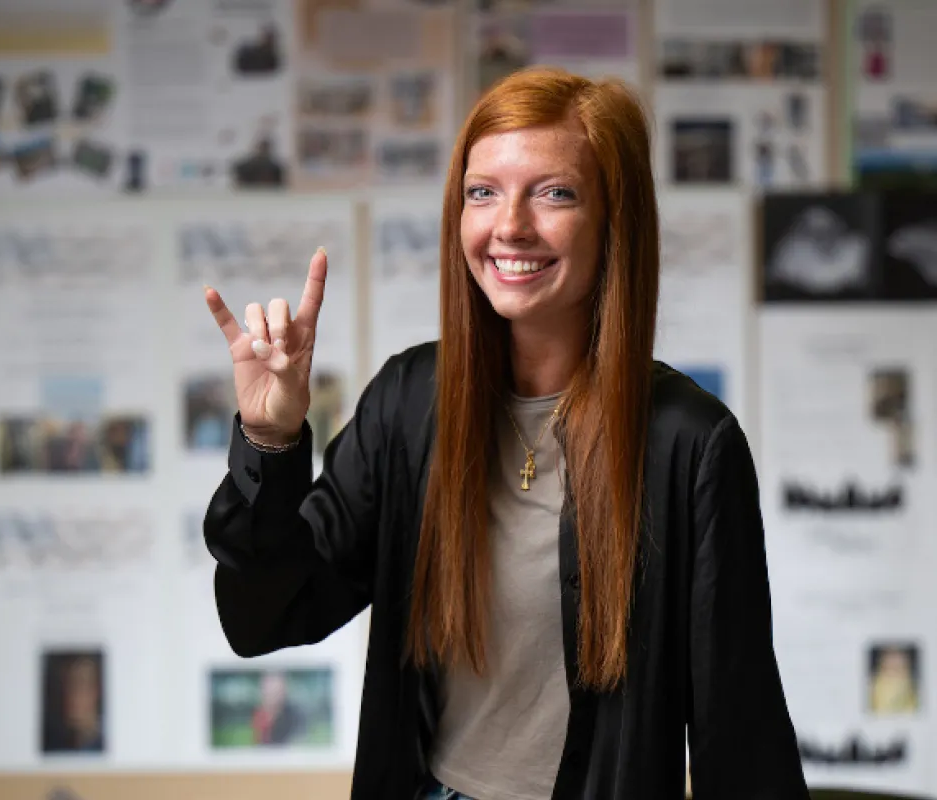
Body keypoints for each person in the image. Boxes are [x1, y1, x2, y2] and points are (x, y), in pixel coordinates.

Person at [200, 67, 806, 799]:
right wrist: (269, 442)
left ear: (615, 219)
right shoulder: (407, 402)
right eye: (482, 192)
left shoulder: (691, 444)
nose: (509, 225)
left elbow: (739, 739)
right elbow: (265, 614)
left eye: (555, 193)